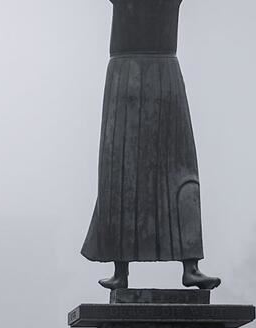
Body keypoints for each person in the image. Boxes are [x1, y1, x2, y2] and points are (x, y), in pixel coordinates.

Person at [81, 0, 221, 291]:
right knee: (120, 175)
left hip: (163, 72)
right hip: (125, 75)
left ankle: (190, 265)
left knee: (181, 171)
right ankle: (121, 269)